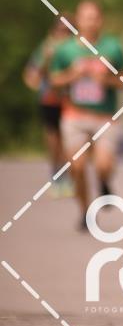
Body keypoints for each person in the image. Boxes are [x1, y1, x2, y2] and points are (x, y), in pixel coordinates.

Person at [50, 0, 123, 230]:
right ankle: (85, 211)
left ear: (101, 20)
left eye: (94, 17)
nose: (90, 22)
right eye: (86, 17)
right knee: (77, 167)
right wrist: (72, 75)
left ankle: (104, 181)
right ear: (78, 20)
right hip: (74, 115)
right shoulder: (65, 50)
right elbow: (54, 80)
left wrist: (106, 80)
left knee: (103, 165)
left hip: (104, 116)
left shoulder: (113, 47)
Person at [23, 16, 73, 196]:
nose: (64, 35)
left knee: (68, 139)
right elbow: (31, 74)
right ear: (54, 31)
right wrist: (46, 58)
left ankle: (68, 176)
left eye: (68, 31)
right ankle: (56, 175)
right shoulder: (46, 48)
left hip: (70, 101)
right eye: (61, 30)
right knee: (53, 139)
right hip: (50, 99)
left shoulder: (75, 49)